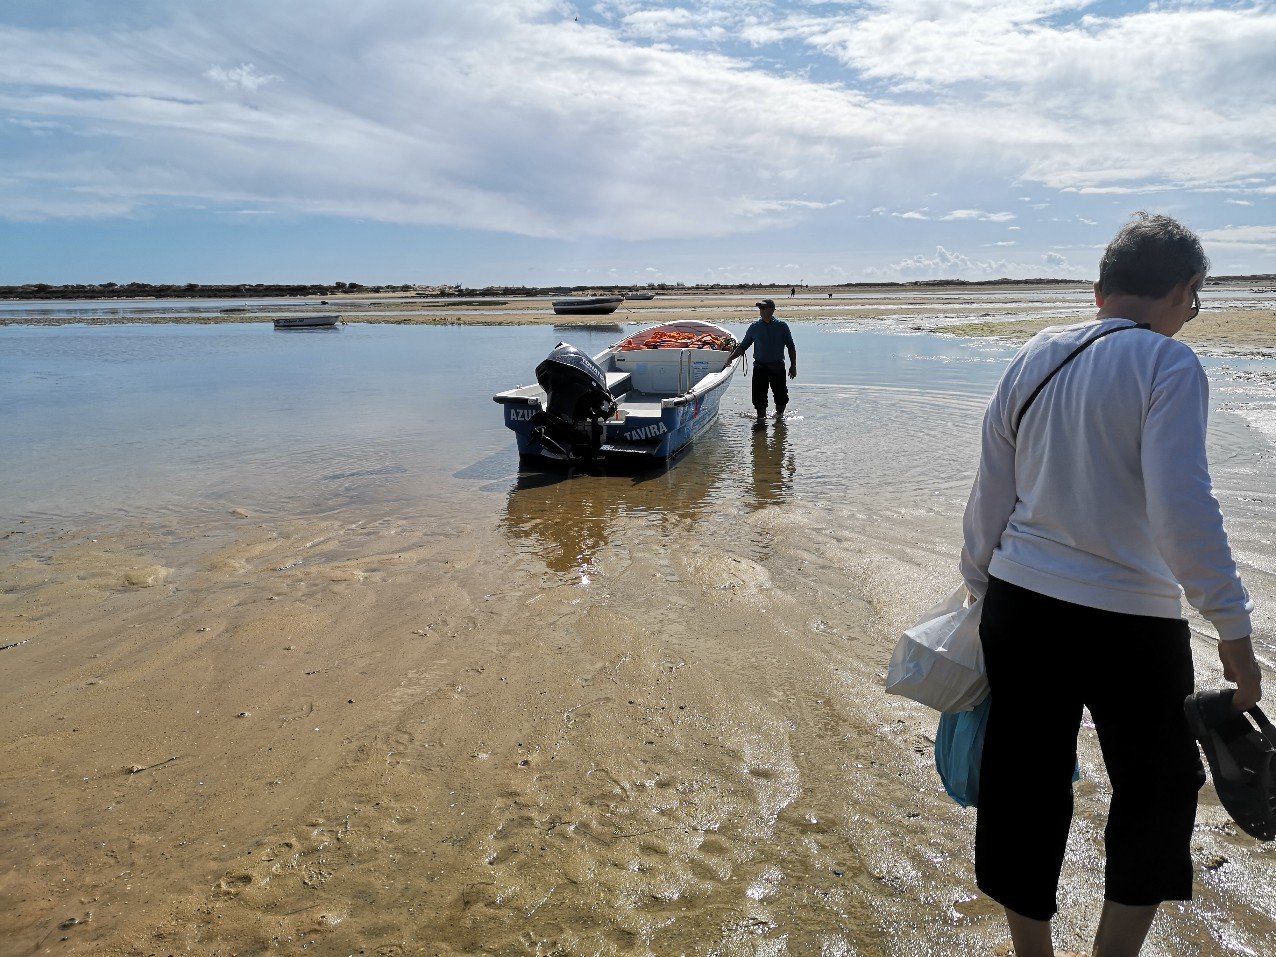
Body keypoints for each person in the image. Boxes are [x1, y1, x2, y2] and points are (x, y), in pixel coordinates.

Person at [959, 213, 1262, 957]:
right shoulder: (1169, 365)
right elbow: (1182, 508)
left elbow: (989, 491)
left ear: (1100, 291)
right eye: (1195, 301)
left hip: (1020, 605)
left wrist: (978, 589)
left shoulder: (1034, 353)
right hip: (1131, 622)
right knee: (1158, 789)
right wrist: (1233, 626)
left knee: (1023, 784)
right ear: (1186, 291)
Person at [728, 298, 797, 420]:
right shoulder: (754, 327)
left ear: (772, 310)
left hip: (777, 367)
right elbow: (743, 347)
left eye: (764, 308)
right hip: (760, 368)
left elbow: (791, 347)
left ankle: (779, 419)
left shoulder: (782, 326)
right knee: (759, 400)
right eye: (760, 308)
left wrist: (793, 366)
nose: (761, 310)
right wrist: (730, 359)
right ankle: (761, 421)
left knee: (781, 398)